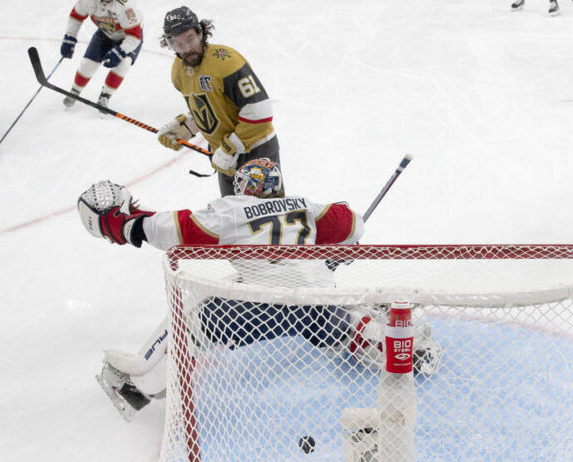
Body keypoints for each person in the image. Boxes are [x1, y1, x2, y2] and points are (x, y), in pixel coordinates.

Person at [76, 158, 441, 418]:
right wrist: (332, 251)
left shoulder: (230, 211)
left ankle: (141, 386)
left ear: (241, 189)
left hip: (262, 309)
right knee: (337, 315)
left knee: (196, 312)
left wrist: (124, 226)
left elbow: (171, 229)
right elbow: (352, 225)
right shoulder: (305, 208)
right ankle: (400, 347)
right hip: (317, 302)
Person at [155, 6, 279, 195]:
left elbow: (259, 112)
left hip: (256, 151)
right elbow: (213, 109)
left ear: (201, 32)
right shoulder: (178, 72)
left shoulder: (226, 62)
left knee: (265, 219)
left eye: (190, 39)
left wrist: (230, 147)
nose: (187, 49)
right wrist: (187, 127)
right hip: (225, 156)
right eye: (178, 44)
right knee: (233, 220)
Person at [59, 0, 144, 110]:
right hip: (105, 33)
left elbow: (135, 36)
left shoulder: (125, 4)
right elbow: (76, 15)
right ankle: (74, 92)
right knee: (88, 64)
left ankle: (105, 97)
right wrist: (70, 38)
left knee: (123, 63)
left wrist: (120, 52)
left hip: (127, 37)